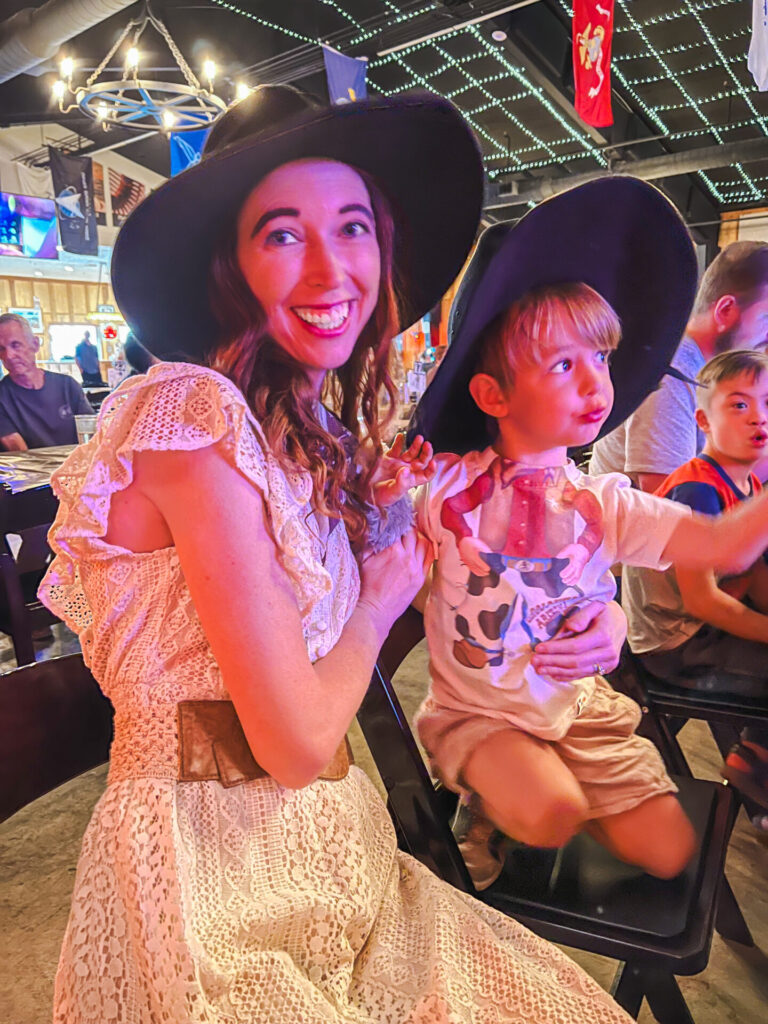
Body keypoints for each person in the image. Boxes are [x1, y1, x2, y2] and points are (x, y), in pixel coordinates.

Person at [38, 87, 633, 1023]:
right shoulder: (188, 415)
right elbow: (294, 741)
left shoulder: (306, 437)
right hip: (211, 884)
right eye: (281, 234)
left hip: (335, 850)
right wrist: (380, 592)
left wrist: (601, 616)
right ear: (224, 267)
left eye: (352, 226)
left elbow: (496, 580)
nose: (330, 267)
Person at [408, 178, 768, 891]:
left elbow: (726, 546)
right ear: (493, 396)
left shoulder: (606, 502)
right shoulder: (448, 495)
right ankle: (485, 793)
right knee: (550, 812)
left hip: (578, 711)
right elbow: (363, 547)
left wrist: (606, 614)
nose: (597, 384)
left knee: (670, 851)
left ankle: (543, 786)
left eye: (600, 358)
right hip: (477, 714)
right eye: (564, 364)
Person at [622, 349, 768, 812]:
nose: (757, 417)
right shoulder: (697, 488)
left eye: (767, 403)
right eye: (739, 404)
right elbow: (703, 602)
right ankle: (756, 761)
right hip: (676, 646)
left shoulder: (750, 486)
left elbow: (757, 574)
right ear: (703, 422)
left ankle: (754, 756)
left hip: (708, 629)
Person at [589, 240, 768, 491]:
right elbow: (672, 503)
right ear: (725, 310)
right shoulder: (674, 372)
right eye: (765, 317)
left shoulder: (711, 375)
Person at [0, 312, 92, 450]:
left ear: (35, 344)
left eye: (16, 345)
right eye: (1, 349)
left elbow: (91, 434)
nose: (9, 355)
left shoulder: (67, 386)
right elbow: (18, 450)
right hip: (29, 470)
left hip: (76, 467)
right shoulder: (3, 396)